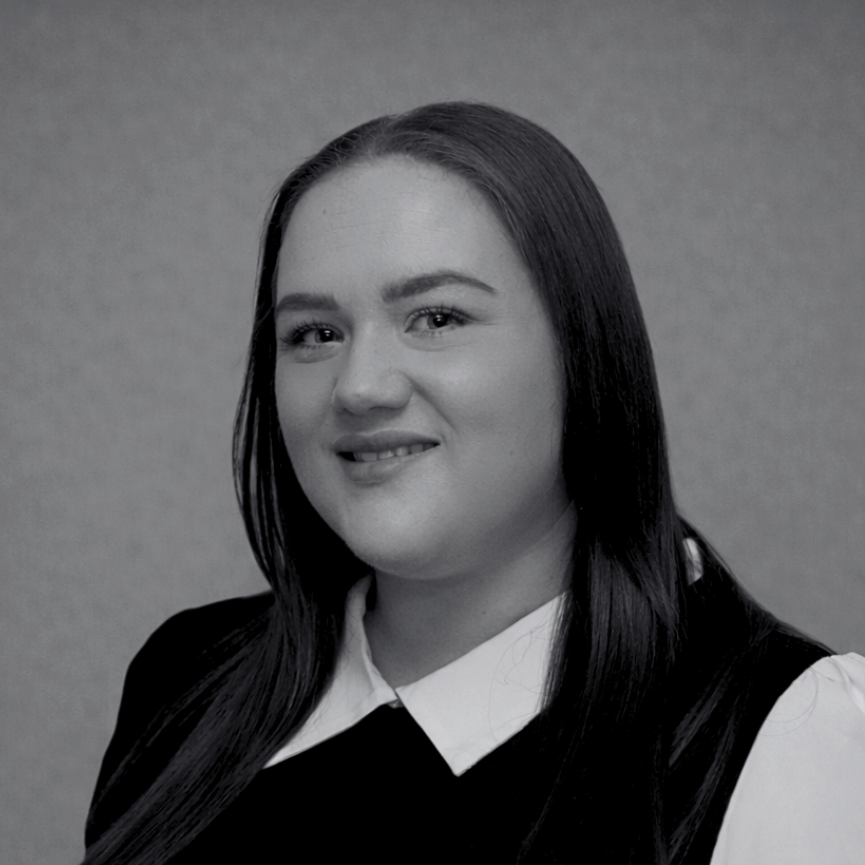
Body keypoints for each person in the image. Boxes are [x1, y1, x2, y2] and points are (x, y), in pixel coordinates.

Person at [82, 102, 865, 865]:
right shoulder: (186, 677)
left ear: (583, 350)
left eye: (437, 317)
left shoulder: (786, 732)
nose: (359, 388)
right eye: (314, 334)